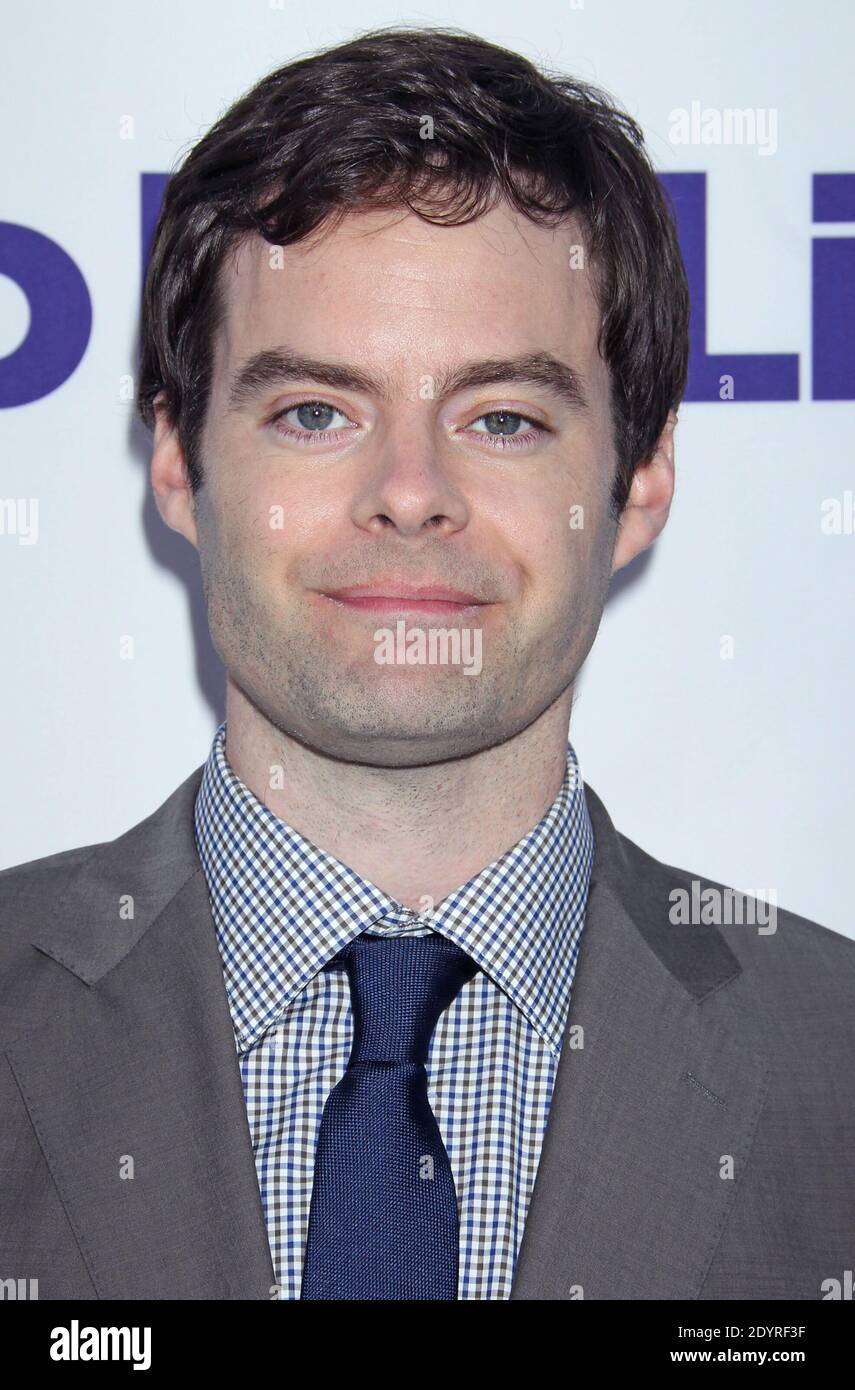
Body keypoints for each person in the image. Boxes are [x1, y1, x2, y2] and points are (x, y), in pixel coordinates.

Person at [1, 25, 852, 1302]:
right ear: (178, 462)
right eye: (315, 412)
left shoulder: (833, 1059)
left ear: (641, 480)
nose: (410, 494)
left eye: (502, 417)